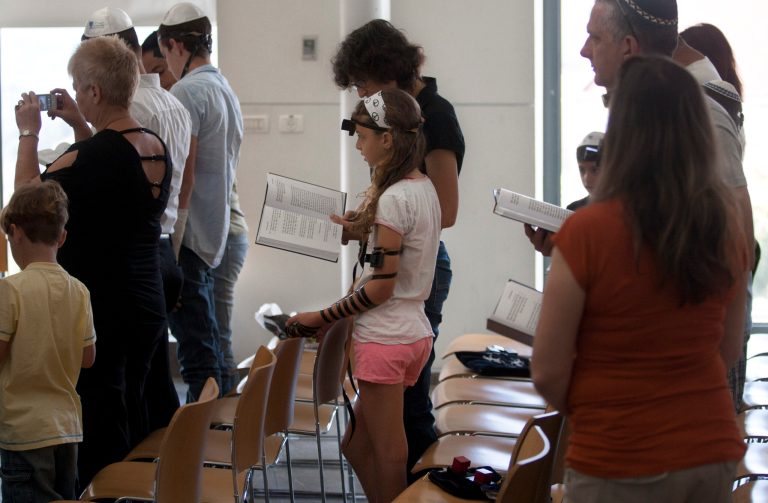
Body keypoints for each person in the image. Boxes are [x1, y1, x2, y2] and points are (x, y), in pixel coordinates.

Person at [532, 55, 747, 503]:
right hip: (709, 448)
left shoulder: (589, 231)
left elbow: (548, 370)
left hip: (618, 454)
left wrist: (604, 406)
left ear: (624, 133)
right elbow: (728, 348)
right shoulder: (724, 227)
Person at [14, 36, 170, 488]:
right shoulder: (153, 144)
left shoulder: (95, 154)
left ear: (95, 92)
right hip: (148, 296)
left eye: (80, 90)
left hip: (106, 303)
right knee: (137, 411)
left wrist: (29, 133)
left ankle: (110, 491)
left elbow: (28, 200)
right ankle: (142, 488)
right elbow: (111, 169)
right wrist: (81, 124)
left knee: (104, 417)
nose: (78, 96)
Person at [288, 89, 440, 502]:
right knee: (355, 444)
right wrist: (364, 229)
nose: (358, 146)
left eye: (362, 137)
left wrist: (322, 316)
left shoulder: (392, 199)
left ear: (387, 139)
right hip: (411, 331)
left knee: (389, 451)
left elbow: (380, 286)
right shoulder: (422, 186)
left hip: (386, 336)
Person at [332, 19, 465, 477]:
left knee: (405, 419)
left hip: (416, 272)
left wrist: (382, 222)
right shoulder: (402, 114)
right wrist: (369, 225)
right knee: (361, 436)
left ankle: (420, 489)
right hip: (400, 264)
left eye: (363, 84)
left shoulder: (434, 115)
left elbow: (443, 210)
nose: (360, 97)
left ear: (389, 73)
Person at [80, 5, 193, 433]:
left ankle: (123, 480)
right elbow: (185, 187)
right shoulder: (173, 102)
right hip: (161, 248)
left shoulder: (130, 113)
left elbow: (108, 189)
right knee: (152, 380)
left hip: (129, 257)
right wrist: (175, 255)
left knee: (123, 383)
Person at [158, 2, 244, 400]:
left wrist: (171, 242)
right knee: (210, 341)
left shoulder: (187, 91)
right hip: (216, 231)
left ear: (174, 45)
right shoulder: (225, 87)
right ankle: (219, 439)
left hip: (190, 236)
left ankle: (201, 448)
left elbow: (184, 174)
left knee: (198, 353)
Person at [0, 182, 96, 502]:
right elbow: (88, 357)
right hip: (67, 428)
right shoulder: (79, 290)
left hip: (25, 431)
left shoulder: (11, 290)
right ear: (62, 237)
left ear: (14, 232)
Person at [568, 132, 603, 211]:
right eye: (582, 170)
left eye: (595, 170)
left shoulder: (627, 210)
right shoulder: (573, 210)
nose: (587, 179)